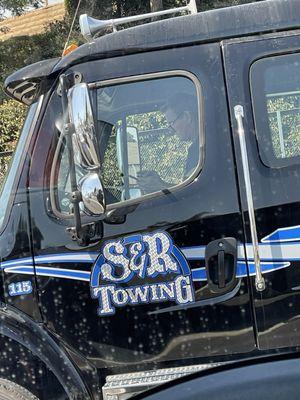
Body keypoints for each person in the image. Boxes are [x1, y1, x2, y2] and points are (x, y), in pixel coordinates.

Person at [137, 92, 199, 194]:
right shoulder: (200, 147)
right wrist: (161, 184)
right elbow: (190, 189)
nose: (171, 130)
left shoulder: (201, 150)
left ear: (187, 116)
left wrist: (160, 186)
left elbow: (190, 194)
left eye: (171, 123)